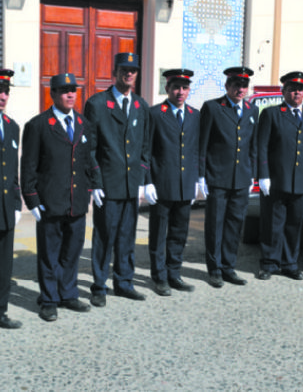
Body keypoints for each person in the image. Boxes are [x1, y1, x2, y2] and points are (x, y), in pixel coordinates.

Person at [22, 73, 98, 321]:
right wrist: (31, 198)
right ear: (53, 94)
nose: (70, 95)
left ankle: (68, 294)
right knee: (49, 253)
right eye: (64, 90)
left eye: (73, 90)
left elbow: (87, 160)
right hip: (50, 202)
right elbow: (29, 166)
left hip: (76, 201)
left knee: (72, 251)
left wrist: (95, 186)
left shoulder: (83, 123)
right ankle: (49, 299)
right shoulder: (38, 125)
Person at [85, 52, 150, 306]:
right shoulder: (98, 104)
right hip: (108, 184)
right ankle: (99, 286)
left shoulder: (140, 105)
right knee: (103, 236)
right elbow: (90, 147)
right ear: (115, 71)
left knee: (127, 235)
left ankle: (124, 282)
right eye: (125, 69)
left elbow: (145, 145)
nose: (129, 74)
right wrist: (95, 182)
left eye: (133, 70)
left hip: (131, 184)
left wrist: (143, 177)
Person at [198, 66, 258, 288]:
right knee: (215, 224)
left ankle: (228, 267)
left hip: (241, 178)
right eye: (236, 85)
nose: (240, 89)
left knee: (235, 224)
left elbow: (253, 145)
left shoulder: (252, 111)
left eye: (244, 86)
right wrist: (201, 175)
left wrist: (253, 174)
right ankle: (214, 269)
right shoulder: (213, 108)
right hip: (218, 177)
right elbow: (202, 143)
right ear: (227, 86)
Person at [256, 71, 303, 281]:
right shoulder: (272, 114)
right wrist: (263, 175)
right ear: (283, 91)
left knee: (294, 225)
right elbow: (261, 146)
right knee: (272, 224)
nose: (296, 93)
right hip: (276, 180)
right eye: (292, 89)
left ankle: (290, 263)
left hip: (302, 182)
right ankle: (269, 263)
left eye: (300, 90)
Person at [143, 69, 199, 296]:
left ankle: (174, 273)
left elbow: (196, 149)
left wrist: (196, 180)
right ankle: (159, 277)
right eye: (176, 87)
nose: (180, 92)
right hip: (162, 184)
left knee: (179, 233)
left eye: (185, 88)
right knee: (159, 233)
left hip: (185, 184)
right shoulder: (155, 113)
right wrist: (147, 182)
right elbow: (146, 150)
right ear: (167, 89)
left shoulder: (195, 115)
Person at [0, 69, 22, 329]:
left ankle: (1, 310)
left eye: (6, 91)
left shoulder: (11, 126)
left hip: (5, 209)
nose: (3, 96)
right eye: (0, 91)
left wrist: (17, 202)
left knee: (4, 264)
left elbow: (11, 169)